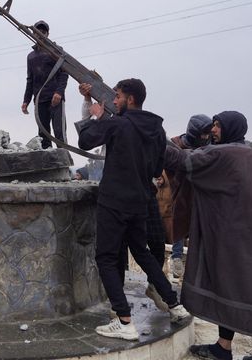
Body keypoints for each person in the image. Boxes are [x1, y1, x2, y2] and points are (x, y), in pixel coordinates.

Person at [76, 78, 189, 341]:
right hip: (140, 201)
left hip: (114, 201)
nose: (114, 100)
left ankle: (124, 321)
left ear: (130, 99)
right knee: (142, 252)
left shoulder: (117, 124)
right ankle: (175, 305)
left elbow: (85, 141)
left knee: (106, 257)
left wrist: (96, 117)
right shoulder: (157, 130)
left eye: (117, 96)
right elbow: (156, 168)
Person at [165, 111, 252, 360]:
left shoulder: (223, 154)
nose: (213, 130)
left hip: (232, 237)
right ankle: (230, 348)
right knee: (249, 289)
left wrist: (150, 133)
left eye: (217, 126)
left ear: (230, 128)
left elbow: (183, 161)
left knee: (228, 284)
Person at [159, 114, 213, 278]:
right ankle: (176, 257)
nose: (206, 137)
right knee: (178, 220)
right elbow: (164, 161)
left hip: (200, 190)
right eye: (203, 134)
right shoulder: (175, 144)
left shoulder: (209, 146)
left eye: (207, 134)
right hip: (179, 189)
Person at [21, 20, 68, 148]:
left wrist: (59, 92)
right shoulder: (31, 56)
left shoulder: (56, 50)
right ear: (33, 34)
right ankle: (49, 160)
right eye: (37, 32)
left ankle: (63, 160)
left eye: (43, 32)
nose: (40, 34)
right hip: (39, 100)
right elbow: (30, 80)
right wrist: (26, 101)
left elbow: (64, 73)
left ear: (47, 34)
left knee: (60, 133)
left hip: (55, 99)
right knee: (43, 135)